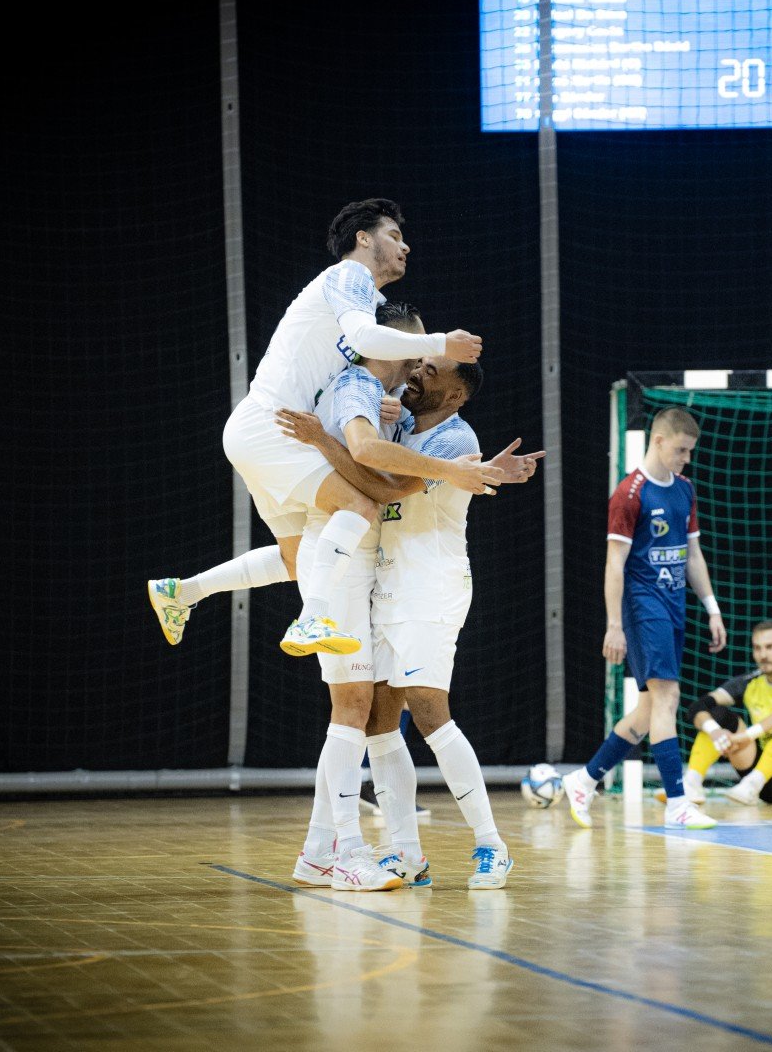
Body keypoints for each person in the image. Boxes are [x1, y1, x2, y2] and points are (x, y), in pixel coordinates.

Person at [154, 198, 491, 660]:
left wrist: (392, 401)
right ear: (363, 239)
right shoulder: (348, 275)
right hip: (274, 427)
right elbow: (369, 343)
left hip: (271, 430)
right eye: (394, 235)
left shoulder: (372, 306)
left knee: (298, 560)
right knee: (359, 504)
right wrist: (440, 344)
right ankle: (311, 619)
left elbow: (372, 355)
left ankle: (183, 591)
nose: (405, 246)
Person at [277, 354, 543, 890]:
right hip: (388, 588)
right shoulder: (401, 422)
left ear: (456, 395)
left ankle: (491, 844)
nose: (417, 373)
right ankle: (406, 853)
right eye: (418, 364)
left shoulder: (455, 439)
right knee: (379, 720)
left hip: (432, 588)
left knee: (429, 713)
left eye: (432, 371)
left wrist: (321, 441)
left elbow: (384, 488)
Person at [562, 407, 727, 830]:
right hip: (642, 606)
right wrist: (614, 625)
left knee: (649, 709)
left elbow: (693, 556)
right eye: (681, 450)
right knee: (668, 697)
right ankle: (678, 804)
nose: (686, 458)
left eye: (690, 452)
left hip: (674, 606)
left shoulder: (685, 490)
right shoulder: (629, 493)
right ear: (658, 441)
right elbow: (614, 563)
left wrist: (712, 608)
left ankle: (584, 780)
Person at [676, 621, 772, 806]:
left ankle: (752, 784)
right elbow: (698, 706)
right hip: (765, 785)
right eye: (757, 648)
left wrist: (746, 736)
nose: (763, 655)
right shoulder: (750, 681)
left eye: (770, 647)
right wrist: (715, 732)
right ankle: (692, 782)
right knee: (718, 714)